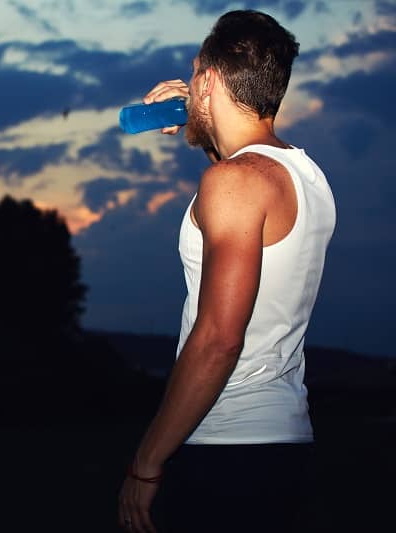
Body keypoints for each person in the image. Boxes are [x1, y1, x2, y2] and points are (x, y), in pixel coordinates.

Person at [117, 10, 336, 533]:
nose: (189, 86)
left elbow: (218, 338)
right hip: (281, 447)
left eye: (195, 75)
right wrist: (199, 123)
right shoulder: (303, 175)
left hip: (227, 450)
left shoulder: (235, 181)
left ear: (210, 80)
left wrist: (148, 462)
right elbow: (240, 180)